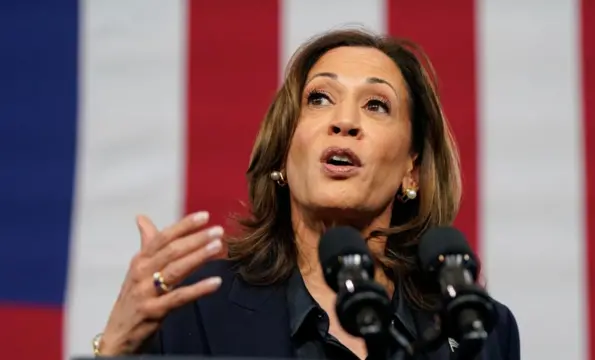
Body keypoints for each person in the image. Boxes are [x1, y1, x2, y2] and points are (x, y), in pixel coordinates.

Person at [93, 29, 520, 359]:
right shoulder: (198, 306)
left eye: (376, 105)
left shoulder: (476, 328)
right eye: (320, 99)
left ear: (412, 171)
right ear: (282, 154)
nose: (345, 121)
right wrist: (113, 347)